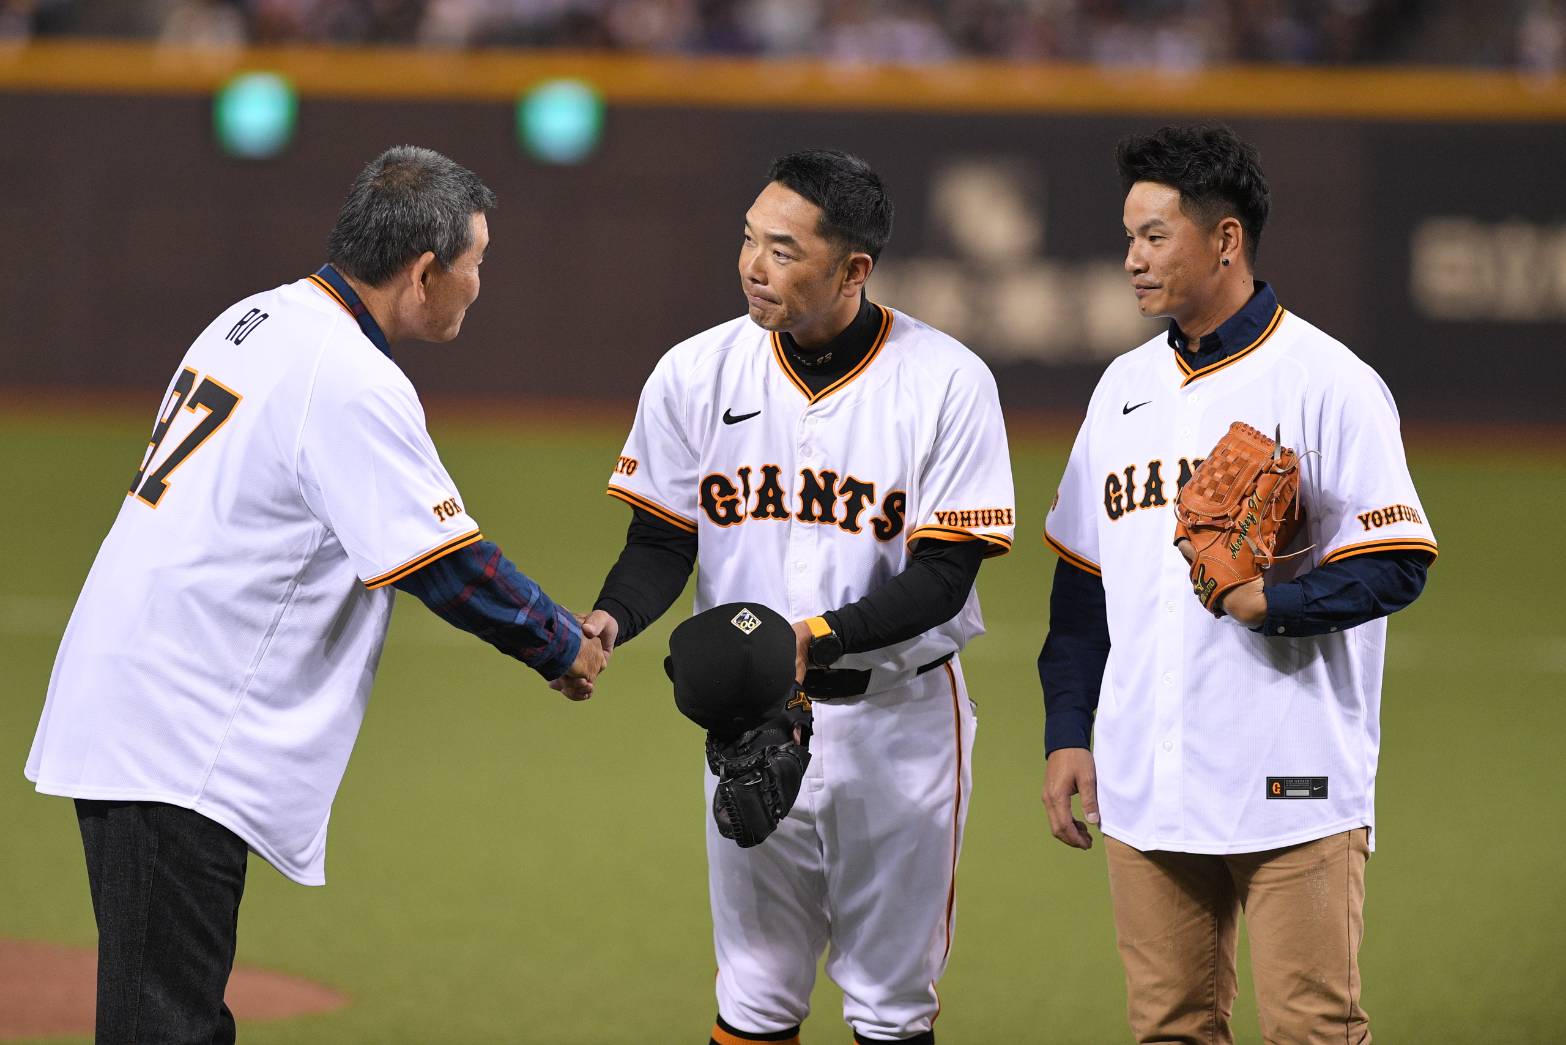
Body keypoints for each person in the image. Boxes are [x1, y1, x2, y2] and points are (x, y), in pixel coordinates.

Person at [25, 145, 606, 1044]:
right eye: (475, 262)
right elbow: (444, 562)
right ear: (423, 272)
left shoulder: (254, 317)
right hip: (172, 728)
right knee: (163, 1025)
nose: (479, 283)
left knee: (163, 1012)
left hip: (141, 703)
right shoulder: (347, 374)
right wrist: (560, 644)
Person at [563, 149, 1015, 1045]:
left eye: (781, 248)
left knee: (890, 1004)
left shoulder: (947, 382)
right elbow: (661, 538)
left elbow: (943, 576)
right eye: (747, 239)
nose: (752, 264)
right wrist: (610, 617)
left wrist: (812, 638)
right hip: (750, 724)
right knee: (755, 990)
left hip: (900, 727)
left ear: (854, 269)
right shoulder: (696, 372)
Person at [1039, 122, 1438, 1044]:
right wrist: (1068, 728)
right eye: (1129, 235)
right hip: (1144, 778)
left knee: (1312, 1030)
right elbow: (1081, 588)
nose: (1131, 259)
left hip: (1291, 773)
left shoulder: (1328, 381)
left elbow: (1398, 557)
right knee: (1170, 1029)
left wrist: (1276, 602)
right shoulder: (1120, 390)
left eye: (1154, 236)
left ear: (1225, 240)